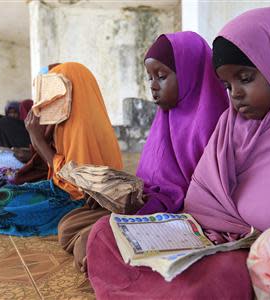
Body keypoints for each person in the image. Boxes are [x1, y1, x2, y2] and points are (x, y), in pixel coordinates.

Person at [86, 7, 270, 299]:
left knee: (223, 276)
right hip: (217, 238)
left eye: (245, 78)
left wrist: (218, 215)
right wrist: (212, 221)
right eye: (226, 84)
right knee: (103, 233)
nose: (234, 94)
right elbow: (199, 197)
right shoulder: (231, 121)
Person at [57, 31, 229, 272]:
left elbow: (204, 200)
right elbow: (152, 180)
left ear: (190, 74)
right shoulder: (166, 118)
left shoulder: (214, 122)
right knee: (70, 224)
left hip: (183, 216)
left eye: (161, 76)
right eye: (149, 78)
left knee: (94, 237)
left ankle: (103, 250)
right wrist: (114, 196)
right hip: (152, 206)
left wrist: (146, 206)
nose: (153, 87)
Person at [0, 62, 123, 237]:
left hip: (76, 199)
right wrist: (39, 138)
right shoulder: (70, 122)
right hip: (63, 187)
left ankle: (67, 218)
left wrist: (37, 139)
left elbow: (77, 184)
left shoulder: (82, 127)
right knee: (0, 195)